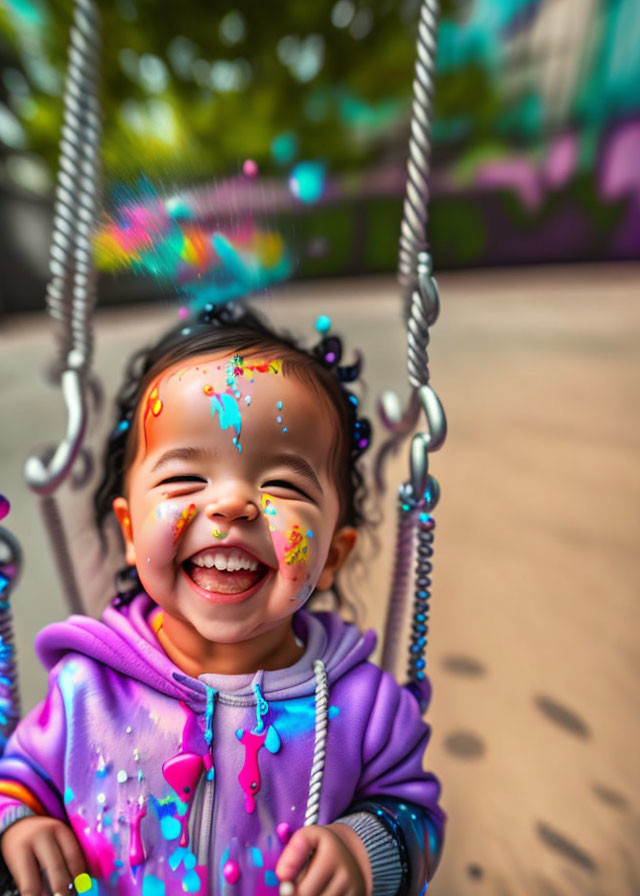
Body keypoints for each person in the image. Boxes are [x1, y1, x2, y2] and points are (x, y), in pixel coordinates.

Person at [0, 304, 445, 896]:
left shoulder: (365, 711)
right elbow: (18, 781)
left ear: (333, 555)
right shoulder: (85, 693)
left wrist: (366, 850)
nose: (233, 505)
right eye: (185, 478)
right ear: (132, 533)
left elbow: (416, 818)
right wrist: (20, 825)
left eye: (282, 485)